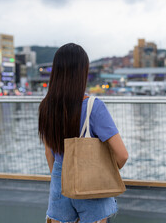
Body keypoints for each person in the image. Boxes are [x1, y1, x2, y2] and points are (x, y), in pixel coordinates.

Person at [38, 43, 128, 223]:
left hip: (60, 186)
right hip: (91, 190)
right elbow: (122, 155)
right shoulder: (94, 107)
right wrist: (102, 171)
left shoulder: (46, 107)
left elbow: (49, 153)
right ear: (82, 73)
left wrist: (63, 181)